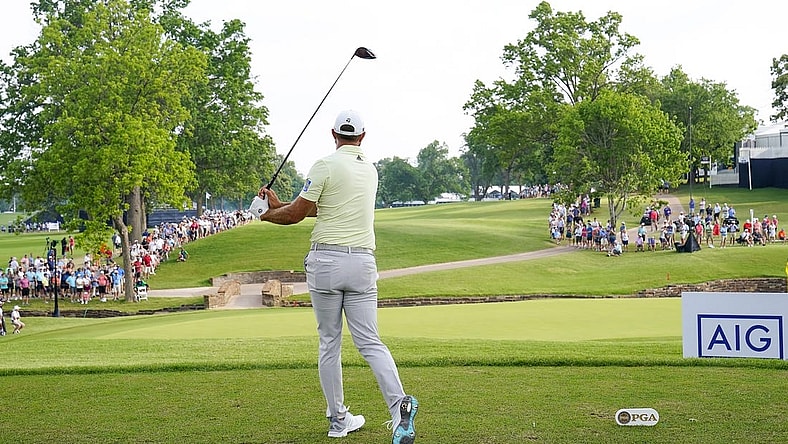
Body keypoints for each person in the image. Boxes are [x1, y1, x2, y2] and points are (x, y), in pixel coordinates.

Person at [257, 110, 418, 442]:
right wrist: (278, 203)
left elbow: (298, 214)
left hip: (326, 263)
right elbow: (321, 205)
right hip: (362, 263)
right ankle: (398, 406)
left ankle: (338, 421)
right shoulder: (370, 170)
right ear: (362, 136)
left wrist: (265, 214)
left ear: (334, 134)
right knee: (370, 341)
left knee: (330, 342)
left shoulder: (324, 165)